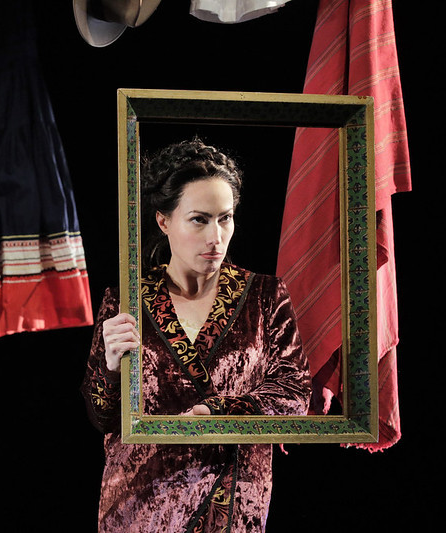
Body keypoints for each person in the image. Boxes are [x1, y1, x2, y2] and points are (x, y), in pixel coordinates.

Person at [82, 138, 311, 532]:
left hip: (232, 502)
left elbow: (294, 395)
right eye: (199, 219)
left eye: (226, 218)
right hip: (140, 503)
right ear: (163, 220)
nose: (216, 236)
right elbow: (101, 415)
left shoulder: (264, 296)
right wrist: (109, 368)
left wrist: (217, 412)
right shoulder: (127, 300)